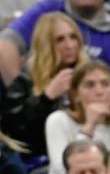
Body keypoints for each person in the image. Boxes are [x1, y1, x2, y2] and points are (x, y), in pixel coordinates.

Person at [1, 12, 89, 156]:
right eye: (60, 40)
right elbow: (16, 133)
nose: (70, 45)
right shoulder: (25, 81)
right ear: (45, 44)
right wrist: (46, 98)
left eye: (73, 37)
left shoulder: (91, 74)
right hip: (41, 158)